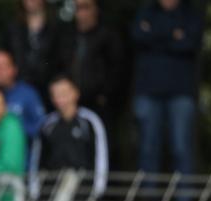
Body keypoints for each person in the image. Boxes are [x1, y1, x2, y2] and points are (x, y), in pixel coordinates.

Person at [130, 0, 203, 177]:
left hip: (181, 92)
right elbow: (137, 36)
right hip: (148, 91)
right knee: (147, 149)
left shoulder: (191, 13)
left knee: (181, 149)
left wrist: (153, 33)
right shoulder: (146, 10)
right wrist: (173, 34)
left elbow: (190, 43)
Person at [60, 0, 125, 135]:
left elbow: (118, 69)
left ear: (96, 9)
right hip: (73, 102)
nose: (81, 13)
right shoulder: (69, 36)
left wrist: (105, 95)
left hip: (99, 104)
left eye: (86, 8)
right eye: (78, 8)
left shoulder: (108, 35)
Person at [0, 50, 45, 153]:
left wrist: (12, 127)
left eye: (2, 67)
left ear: (14, 69)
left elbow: (41, 127)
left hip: (20, 158)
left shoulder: (28, 94)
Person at [2, 0, 68, 106]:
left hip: (48, 91)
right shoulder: (13, 28)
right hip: (19, 88)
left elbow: (62, 60)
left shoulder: (56, 27)